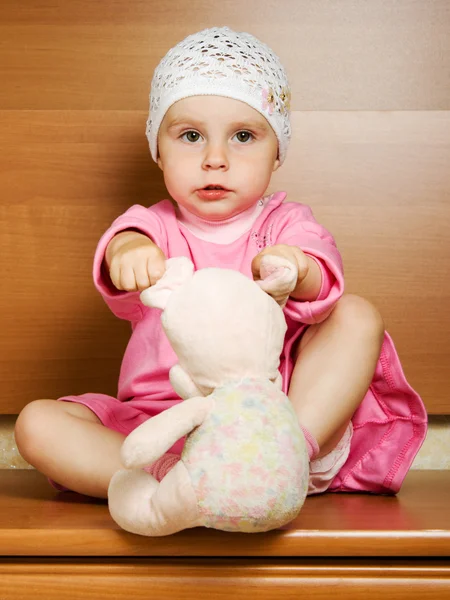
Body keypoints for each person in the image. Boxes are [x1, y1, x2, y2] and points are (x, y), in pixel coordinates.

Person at [15, 26, 427, 500]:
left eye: (244, 136)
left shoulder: (283, 224)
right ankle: (176, 481)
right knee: (38, 424)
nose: (215, 159)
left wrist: (296, 268)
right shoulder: (152, 226)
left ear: (277, 154)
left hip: (270, 417)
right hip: (161, 423)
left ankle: (284, 456)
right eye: (191, 135)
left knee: (357, 314)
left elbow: (323, 282)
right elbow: (123, 246)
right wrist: (128, 253)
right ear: (158, 151)